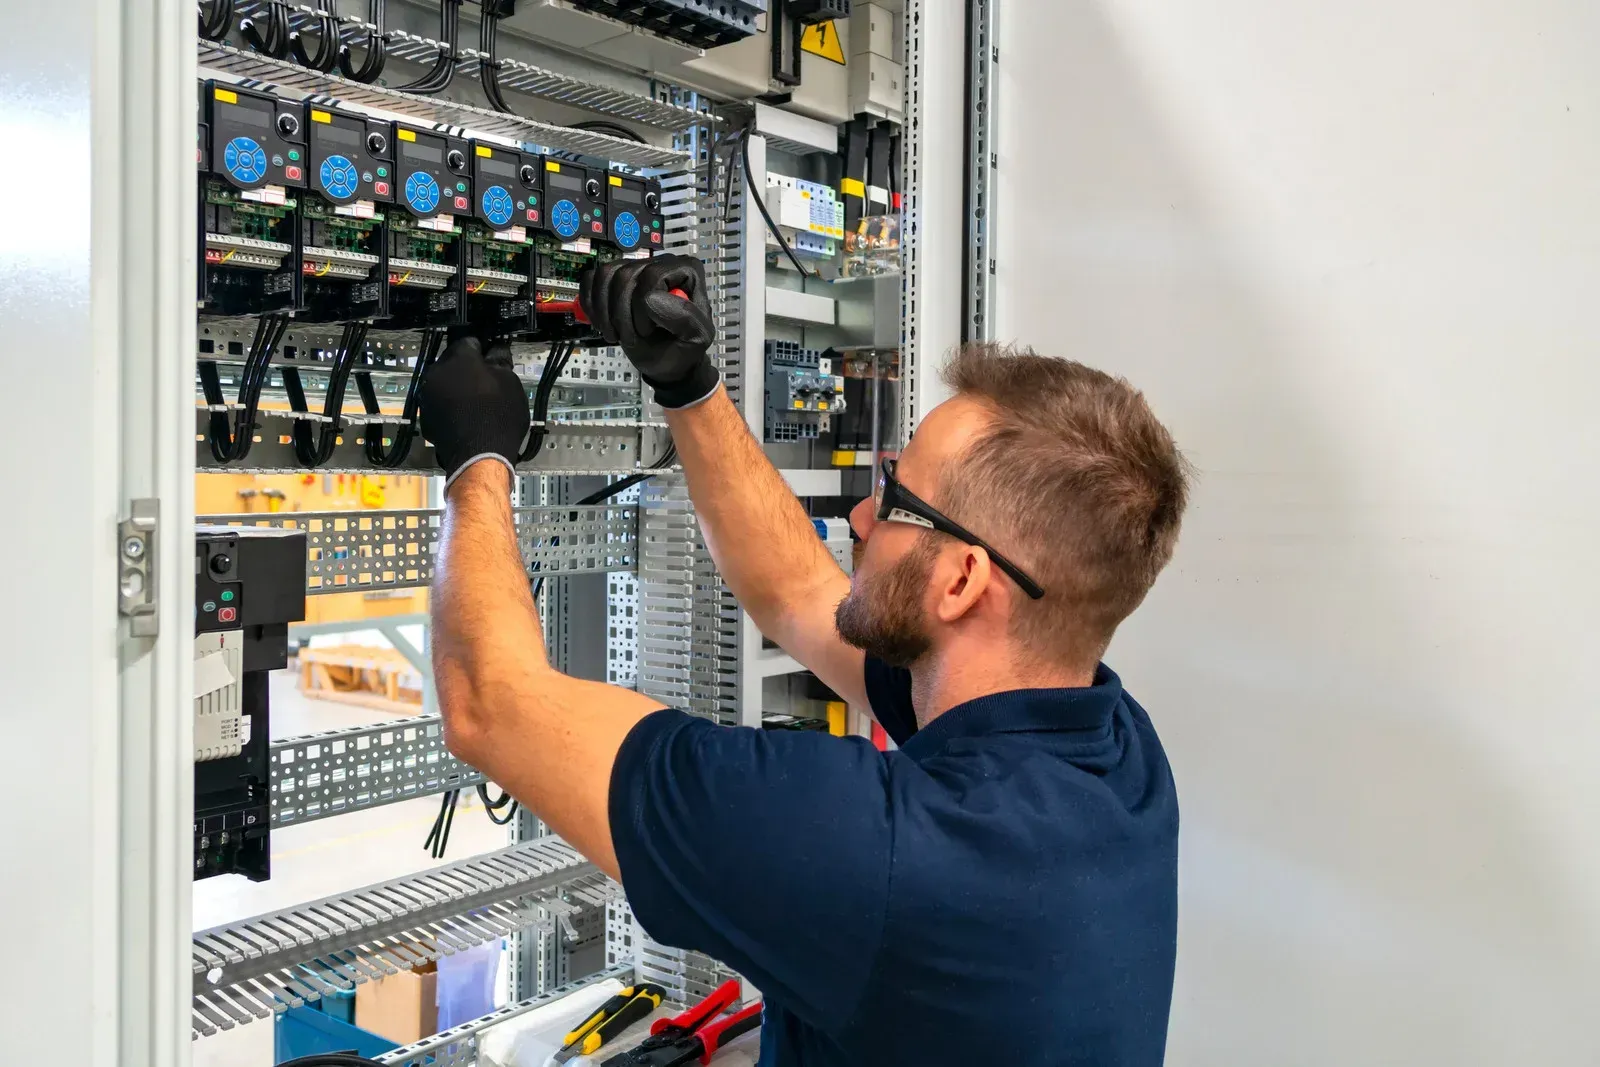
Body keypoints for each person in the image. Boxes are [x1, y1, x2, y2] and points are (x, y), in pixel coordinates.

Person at [417, 254, 1190, 1066]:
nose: (861, 513)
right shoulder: (1117, 752)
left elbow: (487, 702)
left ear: (963, 579)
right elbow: (798, 591)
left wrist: (477, 463)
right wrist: (687, 381)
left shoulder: (890, 853)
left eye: (897, 501)